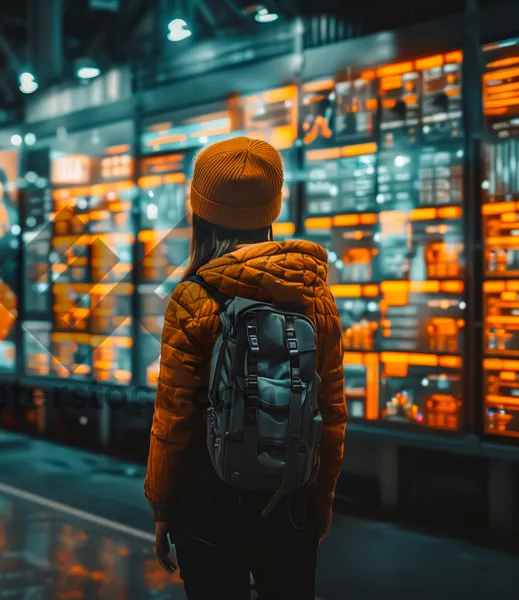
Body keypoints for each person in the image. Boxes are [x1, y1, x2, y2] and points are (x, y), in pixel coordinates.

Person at [144, 137, 347, 599]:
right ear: (270, 209)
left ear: (202, 210)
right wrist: (322, 503)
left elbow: (173, 417)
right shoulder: (314, 294)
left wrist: (161, 507)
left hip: (208, 499)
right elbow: (331, 412)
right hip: (291, 500)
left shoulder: (196, 296)